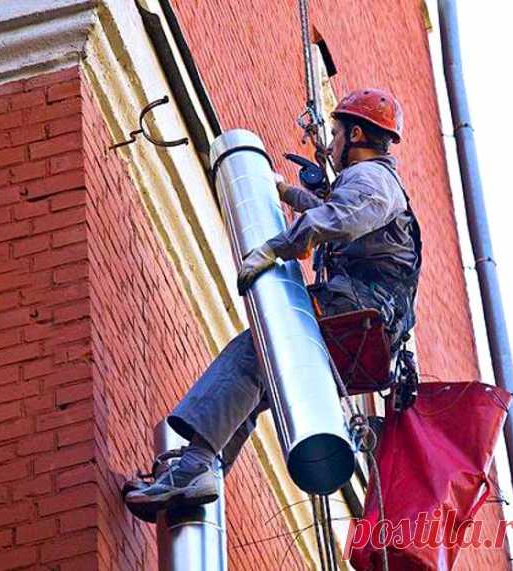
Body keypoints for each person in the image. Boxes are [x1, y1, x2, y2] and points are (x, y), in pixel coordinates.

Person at [125, 88, 422, 517]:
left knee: (253, 351)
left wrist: (277, 247)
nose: (331, 144)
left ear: (355, 134)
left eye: (336, 134)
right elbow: (336, 209)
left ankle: (193, 468)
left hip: (354, 315)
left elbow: (343, 217)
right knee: (261, 380)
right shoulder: (372, 183)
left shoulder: (374, 178)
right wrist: (285, 192)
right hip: (362, 330)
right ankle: (198, 473)